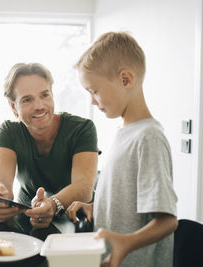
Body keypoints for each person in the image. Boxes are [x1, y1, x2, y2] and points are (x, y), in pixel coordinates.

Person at [68, 32, 178, 267]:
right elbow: (129, 201)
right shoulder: (124, 133)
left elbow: (167, 220)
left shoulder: (149, 138)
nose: (92, 101)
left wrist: (126, 243)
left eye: (94, 91)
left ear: (125, 79)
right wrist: (95, 207)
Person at [0, 62, 99, 228]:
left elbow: (84, 187)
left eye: (45, 95)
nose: (39, 106)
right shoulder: (9, 131)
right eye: (27, 100)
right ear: (14, 107)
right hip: (28, 214)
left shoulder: (82, 128)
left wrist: (53, 204)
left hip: (77, 216)